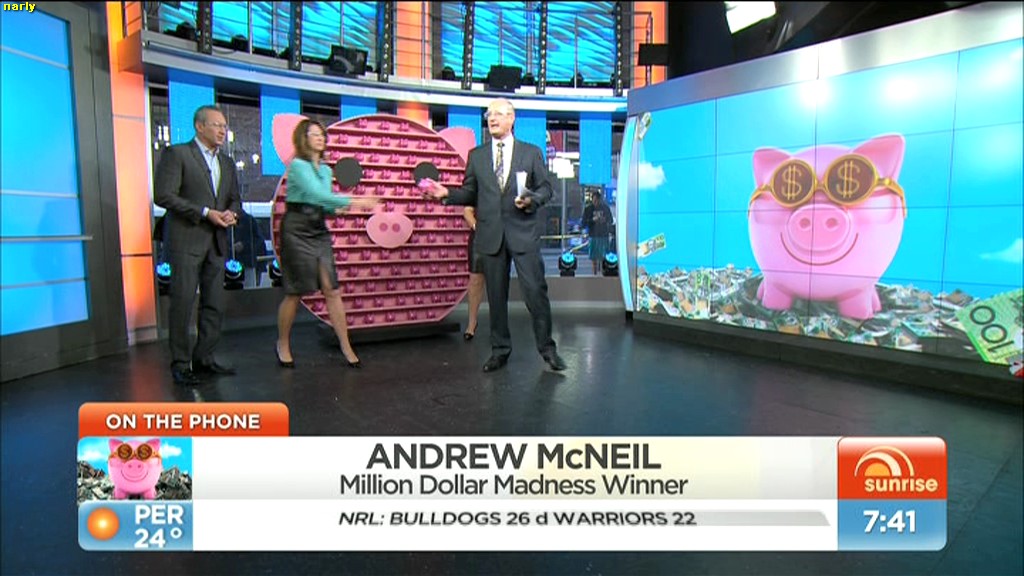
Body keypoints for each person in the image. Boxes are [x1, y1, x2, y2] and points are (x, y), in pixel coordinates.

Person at [422, 98, 567, 373]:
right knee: (496, 297)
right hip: (490, 235)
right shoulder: (476, 156)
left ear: (512, 118)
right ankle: (500, 350)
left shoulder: (531, 152)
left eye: (498, 114)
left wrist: (532, 199)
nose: (492, 118)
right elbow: (470, 193)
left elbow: (547, 189)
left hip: (523, 234)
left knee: (536, 293)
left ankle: (548, 350)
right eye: (489, 114)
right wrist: (447, 194)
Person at [275, 119, 378, 368]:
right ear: (303, 138)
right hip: (297, 229)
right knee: (295, 291)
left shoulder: (326, 170)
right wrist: (356, 201)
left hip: (318, 228)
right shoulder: (298, 166)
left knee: (332, 289)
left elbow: (324, 202)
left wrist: (338, 209)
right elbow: (315, 194)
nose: (320, 137)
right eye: (314, 134)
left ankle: (346, 346)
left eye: (322, 134)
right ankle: (283, 342)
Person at [154, 105, 242, 386]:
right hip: (186, 241)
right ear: (199, 126)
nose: (222, 131)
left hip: (216, 243)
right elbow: (163, 195)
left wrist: (232, 213)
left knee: (214, 303)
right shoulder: (178, 154)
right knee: (182, 303)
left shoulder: (226, 162)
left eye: (224, 126)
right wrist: (205, 213)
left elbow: (234, 198)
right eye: (216, 125)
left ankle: (204, 357)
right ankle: (181, 364)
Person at [462, 206, 485, 340]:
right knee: (475, 279)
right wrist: (479, 229)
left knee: (499, 281)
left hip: (501, 235)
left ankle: (499, 325)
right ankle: (472, 323)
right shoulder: (477, 192)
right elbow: (467, 211)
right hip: (479, 236)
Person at [581, 190, 614, 275]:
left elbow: (610, 220)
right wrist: (592, 220)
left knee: (604, 258)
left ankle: (603, 273)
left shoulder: (605, 208)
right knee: (594, 259)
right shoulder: (588, 209)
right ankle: (594, 274)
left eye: (598, 200)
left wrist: (604, 220)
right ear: (592, 200)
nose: (596, 202)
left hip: (603, 236)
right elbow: (583, 223)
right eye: (595, 200)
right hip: (593, 236)